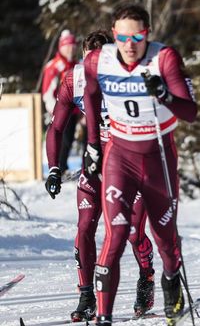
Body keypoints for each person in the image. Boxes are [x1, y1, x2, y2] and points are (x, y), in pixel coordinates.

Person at [82, 4, 198, 325]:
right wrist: (93, 143)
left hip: (158, 158)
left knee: (163, 238)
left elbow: (190, 112)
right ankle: (103, 317)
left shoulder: (164, 58)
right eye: (122, 36)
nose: (129, 44)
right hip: (120, 156)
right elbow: (90, 94)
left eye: (137, 36)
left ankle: (171, 278)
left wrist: (165, 95)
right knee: (116, 234)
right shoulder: (98, 59)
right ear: (114, 34)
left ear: (148, 34)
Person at [44, 30, 156, 321]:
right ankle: (86, 295)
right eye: (87, 61)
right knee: (84, 226)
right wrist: (54, 166)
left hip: (131, 163)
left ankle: (147, 276)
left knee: (132, 231)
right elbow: (56, 127)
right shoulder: (74, 79)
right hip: (95, 163)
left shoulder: (128, 78)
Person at [42, 29, 80, 172]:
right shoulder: (54, 66)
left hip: (74, 110)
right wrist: (55, 111)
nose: (71, 49)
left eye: (73, 46)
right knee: (60, 139)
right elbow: (47, 92)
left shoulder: (76, 65)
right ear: (61, 47)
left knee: (69, 140)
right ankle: (57, 168)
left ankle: (63, 166)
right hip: (59, 110)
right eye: (67, 46)